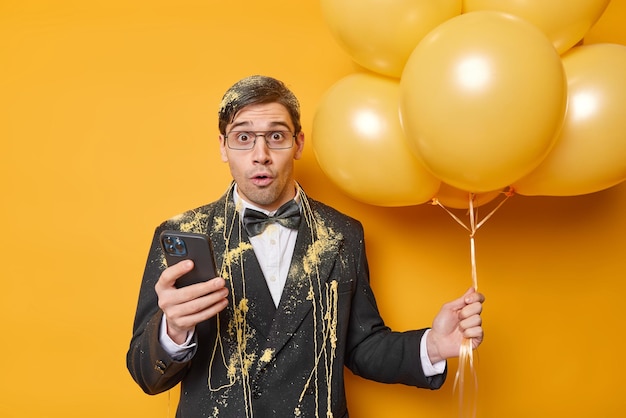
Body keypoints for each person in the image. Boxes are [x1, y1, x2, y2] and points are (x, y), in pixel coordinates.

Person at [127, 75, 485, 418]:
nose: (261, 154)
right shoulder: (182, 233)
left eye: (276, 136)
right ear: (223, 147)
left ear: (298, 143)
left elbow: (361, 346)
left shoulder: (343, 234)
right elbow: (146, 374)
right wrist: (172, 331)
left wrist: (433, 346)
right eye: (243, 138)